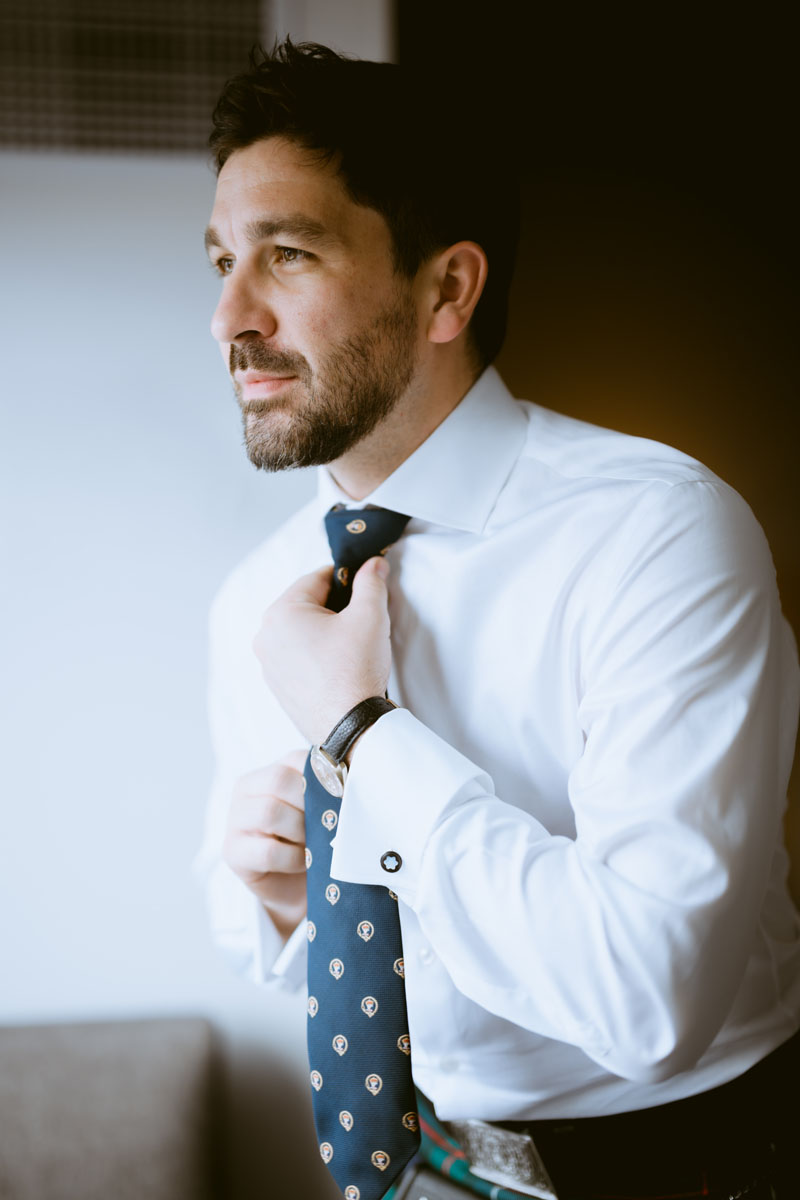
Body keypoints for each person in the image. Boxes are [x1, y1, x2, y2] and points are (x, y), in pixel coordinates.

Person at [195, 39, 800, 1200]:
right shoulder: (261, 595)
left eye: (287, 253)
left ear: (445, 289)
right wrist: (276, 892)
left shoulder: (656, 535)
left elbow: (649, 999)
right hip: (428, 1168)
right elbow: (246, 928)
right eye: (221, 259)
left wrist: (361, 734)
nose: (229, 314)